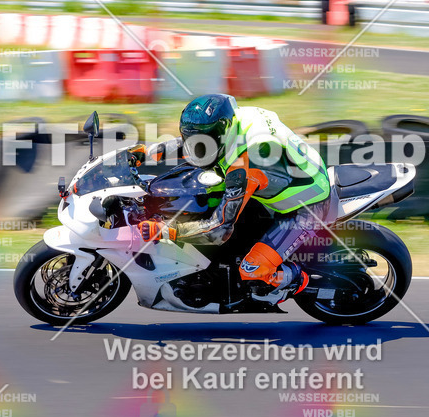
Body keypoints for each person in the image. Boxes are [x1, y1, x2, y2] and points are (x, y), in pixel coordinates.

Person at [132, 94, 332, 304]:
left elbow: (219, 231)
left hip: (306, 206)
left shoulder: (245, 164)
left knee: (252, 270)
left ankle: (298, 279)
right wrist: (145, 153)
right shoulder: (233, 121)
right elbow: (194, 144)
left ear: (222, 131)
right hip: (285, 176)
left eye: (206, 140)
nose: (198, 147)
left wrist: (169, 230)